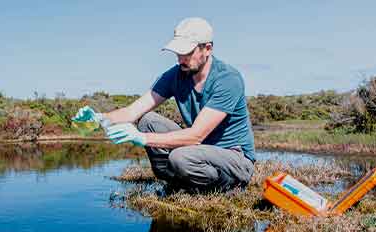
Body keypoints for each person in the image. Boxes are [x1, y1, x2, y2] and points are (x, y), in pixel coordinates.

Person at [73, 17, 255, 192]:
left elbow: (196, 136)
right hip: (199, 151)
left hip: (234, 158)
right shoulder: (176, 75)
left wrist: (142, 138)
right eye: (178, 52)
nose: (180, 58)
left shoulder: (227, 79)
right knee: (147, 121)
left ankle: (223, 187)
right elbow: (133, 111)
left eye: (187, 52)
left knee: (180, 157)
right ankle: (177, 181)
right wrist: (100, 118)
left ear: (207, 49)